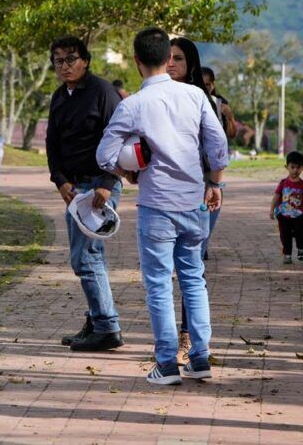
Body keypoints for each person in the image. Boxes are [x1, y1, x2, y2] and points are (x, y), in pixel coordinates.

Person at [97, 27, 227, 385]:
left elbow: (104, 155)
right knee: (194, 280)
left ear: (137, 61)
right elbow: (217, 144)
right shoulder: (195, 96)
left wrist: (128, 172)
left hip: (156, 206)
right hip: (194, 203)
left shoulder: (132, 105)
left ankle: (167, 363)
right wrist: (214, 183)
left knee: (158, 284)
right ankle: (200, 358)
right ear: (169, 60)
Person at [45, 36, 124, 352]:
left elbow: (121, 137)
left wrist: (107, 182)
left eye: (71, 58)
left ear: (86, 60)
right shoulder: (59, 96)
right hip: (74, 188)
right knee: (88, 256)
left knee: (85, 257)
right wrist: (60, 181)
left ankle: (107, 327)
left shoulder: (104, 92)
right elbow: (52, 143)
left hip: (100, 186)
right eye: (58, 60)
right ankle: (95, 320)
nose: (65, 66)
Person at [168, 36, 226, 362]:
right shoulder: (156, 96)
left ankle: (189, 338)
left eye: (177, 58)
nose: (170, 64)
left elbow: (214, 149)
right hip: (166, 194)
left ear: (190, 63)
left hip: (203, 190)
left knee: (192, 265)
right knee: (171, 269)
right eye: (167, 58)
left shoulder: (206, 101)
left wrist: (211, 184)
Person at [270, 150, 303, 264]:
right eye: (292, 167)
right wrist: (271, 210)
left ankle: (301, 249)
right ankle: (287, 254)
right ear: (286, 167)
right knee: (285, 236)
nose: (295, 170)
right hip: (284, 215)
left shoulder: (302, 184)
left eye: (298, 167)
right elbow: (276, 196)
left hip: (299, 216)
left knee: (300, 233)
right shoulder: (283, 183)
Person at [200, 67, 238, 140]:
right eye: (201, 85)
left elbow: (231, 134)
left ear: (213, 85)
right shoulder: (187, 101)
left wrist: (230, 117)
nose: (203, 88)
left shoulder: (220, 104)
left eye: (207, 85)